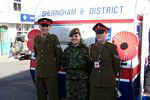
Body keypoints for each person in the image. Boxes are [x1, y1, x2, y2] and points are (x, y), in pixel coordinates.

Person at [89, 23, 120, 100]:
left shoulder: (112, 48)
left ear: (106, 34)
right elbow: (89, 65)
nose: (99, 35)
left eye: (101, 33)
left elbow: (116, 66)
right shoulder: (91, 48)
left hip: (108, 83)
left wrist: (109, 75)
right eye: (97, 33)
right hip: (95, 83)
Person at [34, 18, 62, 100]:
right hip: (39, 71)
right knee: (40, 94)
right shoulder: (36, 39)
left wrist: (55, 68)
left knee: (53, 94)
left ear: (49, 27)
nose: (44, 28)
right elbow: (36, 53)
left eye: (47, 26)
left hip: (51, 72)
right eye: (43, 26)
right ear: (39, 27)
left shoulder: (54, 38)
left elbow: (59, 54)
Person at [61, 28, 89, 100]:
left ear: (80, 37)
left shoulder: (86, 50)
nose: (74, 38)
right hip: (70, 80)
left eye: (76, 36)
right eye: (72, 37)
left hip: (82, 80)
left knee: (82, 98)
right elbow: (63, 63)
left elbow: (90, 65)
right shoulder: (67, 50)